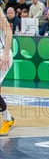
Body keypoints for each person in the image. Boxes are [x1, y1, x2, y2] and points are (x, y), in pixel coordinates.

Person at [0, 8, 15, 136]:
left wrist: (5, 54)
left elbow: (9, 32)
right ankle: (8, 119)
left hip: (2, 56)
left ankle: (8, 120)